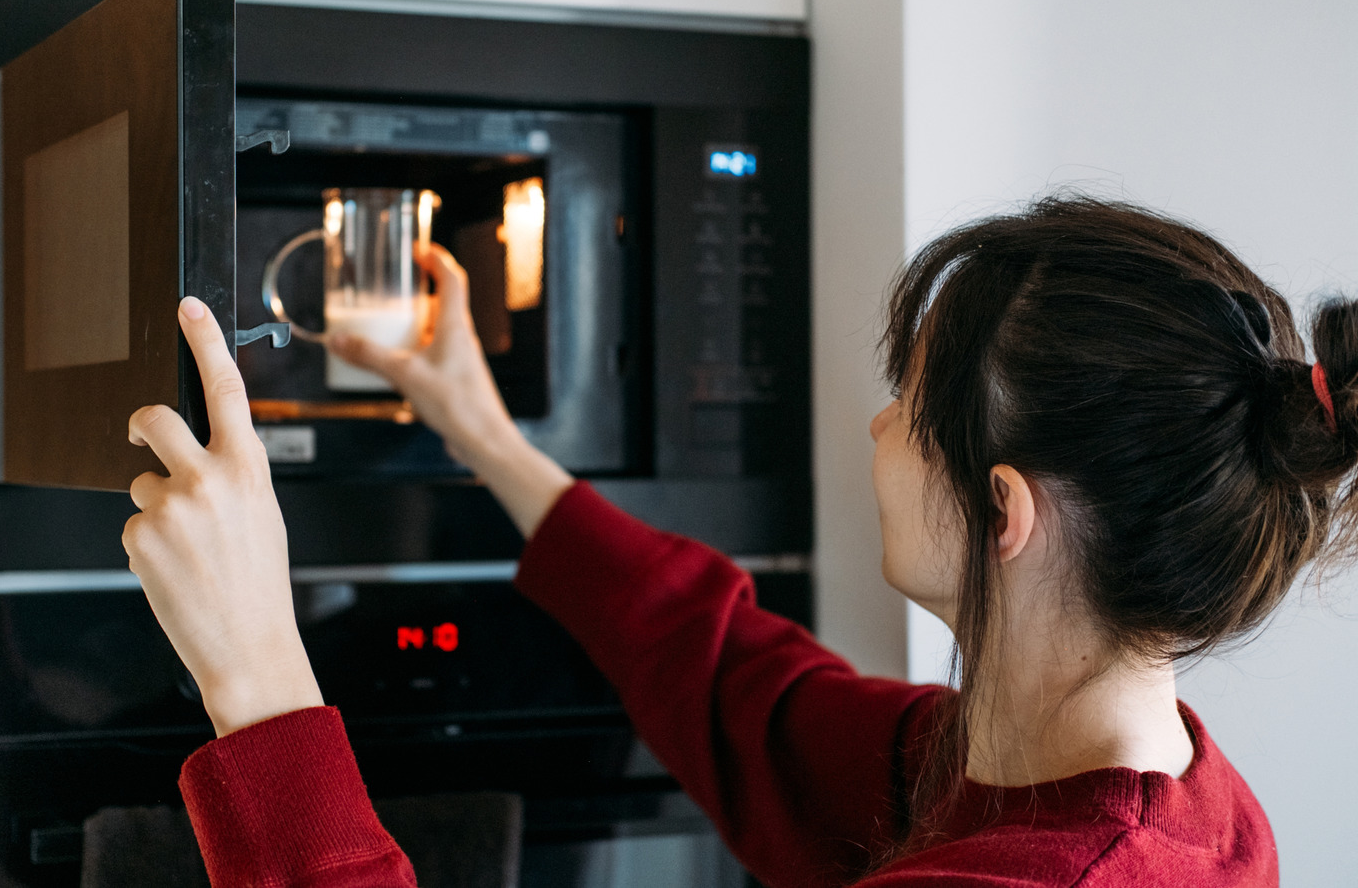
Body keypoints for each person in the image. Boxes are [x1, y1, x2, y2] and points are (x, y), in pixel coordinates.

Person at [122, 195, 1346, 886]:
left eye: (908, 408)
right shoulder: (1149, 786)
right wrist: (482, 429)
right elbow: (742, 690)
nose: (876, 429)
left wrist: (256, 672)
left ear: (1004, 513)